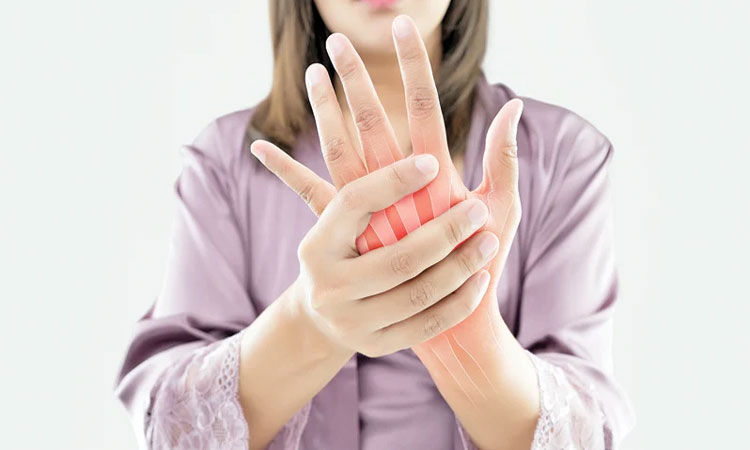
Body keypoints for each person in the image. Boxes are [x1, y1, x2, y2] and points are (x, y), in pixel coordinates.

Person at [115, 1, 635, 449]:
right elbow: (170, 432)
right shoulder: (225, 165)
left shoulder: (560, 158)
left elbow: (586, 436)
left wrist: (473, 347)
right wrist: (309, 324)